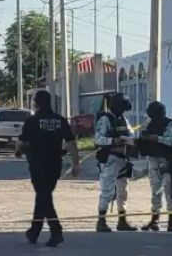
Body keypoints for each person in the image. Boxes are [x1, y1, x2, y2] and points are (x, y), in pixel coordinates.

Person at [16, 90, 80, 247]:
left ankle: (56, 231)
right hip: (54, 164)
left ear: (36, 103)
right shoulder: (60, 120)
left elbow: (22, 142)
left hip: (38, 164)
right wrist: (76, 163)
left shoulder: (32, 121)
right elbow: (71, 142)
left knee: (44, 196)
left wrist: (18, 151)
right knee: (43, 196)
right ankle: (34, 231)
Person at [94, 92, 138, 233]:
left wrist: (132, 140)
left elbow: (131, 134)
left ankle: (122, 220)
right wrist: (114, 141)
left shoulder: (123, 119)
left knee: (122, 191)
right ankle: (101, 221)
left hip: (122, 159)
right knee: (107, 191)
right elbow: (98, 139)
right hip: (109, 159)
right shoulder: (105, 119)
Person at [138, 102, 172, 232]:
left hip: (167, 161)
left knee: (169, 190)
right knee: (155, 190)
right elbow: (142, 135)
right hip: (153, 160)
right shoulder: (149, 123)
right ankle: (155, 220)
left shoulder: (170, 124)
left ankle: (171, 221)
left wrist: (157, 138)